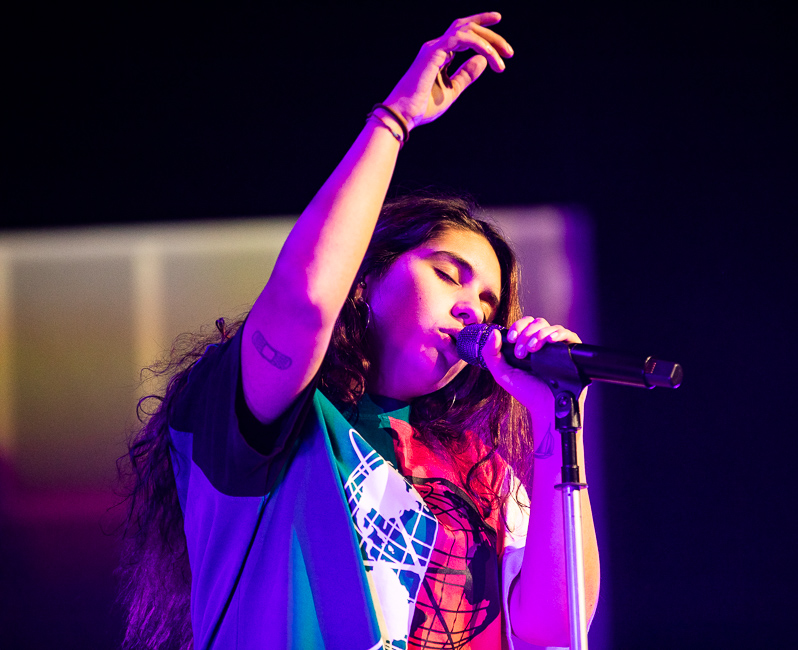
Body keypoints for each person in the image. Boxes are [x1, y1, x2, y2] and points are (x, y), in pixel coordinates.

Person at [118, 12, 599, 650]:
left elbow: (556, 628)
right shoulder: (274, 407)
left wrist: (555, 419)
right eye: (448, 275)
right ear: (367, 278)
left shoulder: (481, 475)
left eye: (489, 301)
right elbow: (305, 300)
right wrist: (394, 121)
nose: (473, 311)